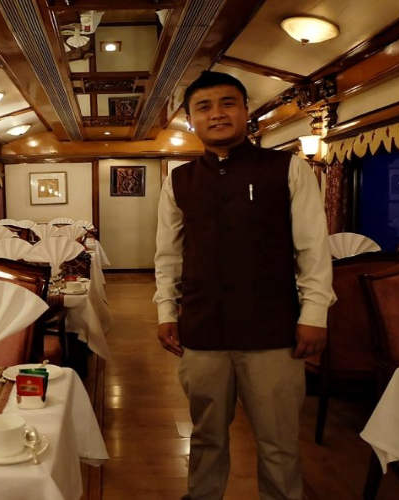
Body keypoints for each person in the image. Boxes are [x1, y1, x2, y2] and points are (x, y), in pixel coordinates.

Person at [153, 71, 335, 500]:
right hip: (202, 327)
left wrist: (314, 314)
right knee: (206, 435)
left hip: (272, 330)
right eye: (204, 106)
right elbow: (168, 255)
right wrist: (165, 310)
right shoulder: (178, 179)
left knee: (278, 440)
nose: (217, 113)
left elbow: (313, 248)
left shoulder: (288, 168)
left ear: (246, 111)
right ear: (190, 120)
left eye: (227, 103)